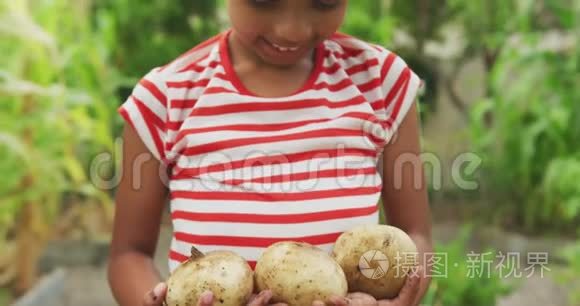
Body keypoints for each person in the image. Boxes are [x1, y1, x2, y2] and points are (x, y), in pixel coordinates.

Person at [107, 0, 433, 305]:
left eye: (324, 1)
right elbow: (128, 256)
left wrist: (405, 292)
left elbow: (416, 236)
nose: (291, 30)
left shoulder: (379, 81)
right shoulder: (166, 97)